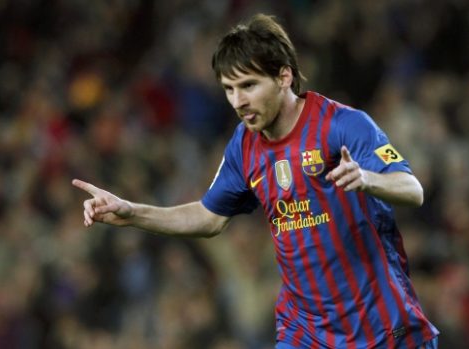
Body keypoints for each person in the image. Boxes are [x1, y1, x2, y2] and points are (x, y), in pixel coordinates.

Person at [72, 13, 439, 349]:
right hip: (306, 332)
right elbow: (209, 217)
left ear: (284, 76)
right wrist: (131, 212)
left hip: (382, 327)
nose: (238, 101)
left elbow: (412, 189)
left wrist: (367, 178)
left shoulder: (343, 125)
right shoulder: (244, 145)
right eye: (229, 89)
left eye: (248, 85)